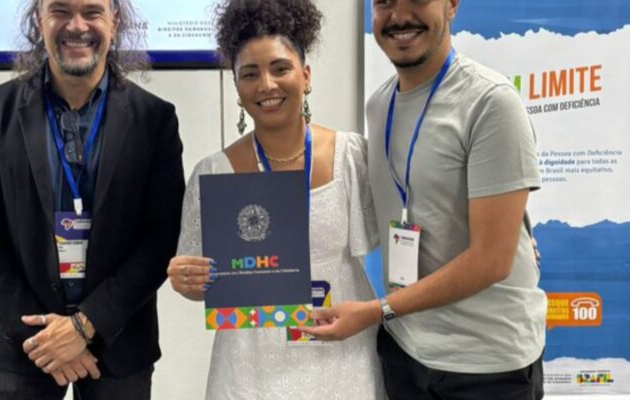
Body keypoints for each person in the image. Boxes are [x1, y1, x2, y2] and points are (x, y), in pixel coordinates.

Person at [301, 1, 546, 399]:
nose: (399, 16)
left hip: (486, 367)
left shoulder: (491, 102)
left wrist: (375, 311)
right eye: (384, 3)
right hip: (405, 350)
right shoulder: (380, 105)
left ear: (451, 5)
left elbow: (492, 260)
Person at [0, 0, 184, 398]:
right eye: (60, 10)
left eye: (92, 12)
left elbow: (161, 236)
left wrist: (85, 325)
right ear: (39, 20)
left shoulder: (155, 120)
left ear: (114, 21)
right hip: (26, 346)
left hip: (119, 343)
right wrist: (43, 338)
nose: (76, 26)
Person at [165, 0, 385, 399]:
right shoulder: (213, 174)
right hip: (250, 374)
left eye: (280, 68)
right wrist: (186, 280)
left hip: (342, 361)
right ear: (237, 89)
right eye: (250, 74)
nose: (266, 85)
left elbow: (397, 236)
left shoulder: (354, 158)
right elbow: (201, 282)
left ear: (305, 75)